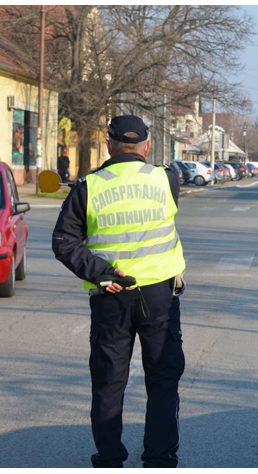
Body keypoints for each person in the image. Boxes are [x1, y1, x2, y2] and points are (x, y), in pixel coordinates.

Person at [52, 115, 186, 468]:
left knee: (109, 383)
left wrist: (101, 273)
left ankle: (109, 460)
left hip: (111, 293)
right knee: (163, 380)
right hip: (159, 296)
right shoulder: (167, 179)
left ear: (109, 144)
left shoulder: (88, 186)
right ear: (146, 146)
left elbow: (64, 242)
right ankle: (159, 459)